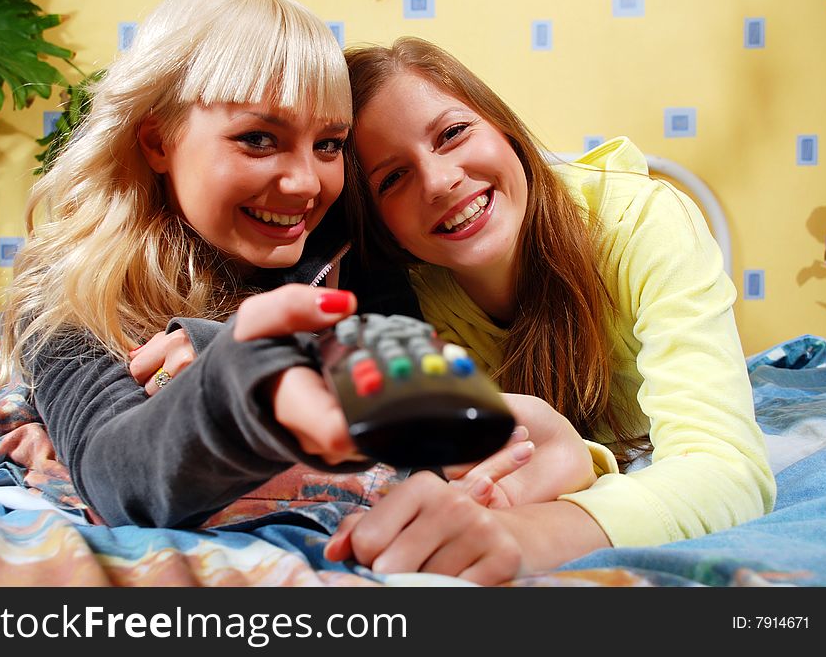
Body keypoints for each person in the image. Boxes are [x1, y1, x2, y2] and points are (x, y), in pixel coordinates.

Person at [0, 0, 594, 537]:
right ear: (157, 141)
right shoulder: (69, 290)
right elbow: (116, 478)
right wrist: (243, 378)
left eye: (329, 144)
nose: (306, 183)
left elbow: (423, 411)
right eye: (258, 139)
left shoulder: (348, 246)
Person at [325, 37, 776, 582]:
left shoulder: (641, 225)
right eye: (392, 178)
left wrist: (529, 535)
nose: (440, 182)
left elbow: (729, 471)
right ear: (378, 222)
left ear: (503, 128)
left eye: (452, 134)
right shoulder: (409, 300)